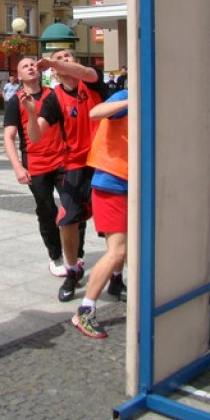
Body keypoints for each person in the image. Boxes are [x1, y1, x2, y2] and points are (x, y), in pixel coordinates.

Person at [25, 49, 105, 302]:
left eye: (68, 56)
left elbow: (82, 71)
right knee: (68, 220)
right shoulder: (53, 98)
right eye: (60, 58)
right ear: (55, 73)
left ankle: (115, 276)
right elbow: (36, 136)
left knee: (112, 224)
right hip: (74, 164)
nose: (65, 59)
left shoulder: (92, 81)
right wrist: (29, 112)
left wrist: (53, 62)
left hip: (103, 161)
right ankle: (72, 270)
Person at [72, 89, 129, 338]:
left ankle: (125, 285)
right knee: (117, 250)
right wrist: (132, 100)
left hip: (134, 186)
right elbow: (95, 112)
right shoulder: (126, 96)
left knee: (133, 248)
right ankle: (85, 309)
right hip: (111, 184)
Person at [3, 56, 66, 276]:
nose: (30, 67)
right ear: (18, 75)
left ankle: (76, 252)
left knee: (73, 206)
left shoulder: (53, 95)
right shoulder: (15, 101)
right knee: (47, 210)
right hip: (36, 164)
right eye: (24, 66)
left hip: (60, 160)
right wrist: (18, 168)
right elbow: (9, 137)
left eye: (32, 64)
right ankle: (55, 255)